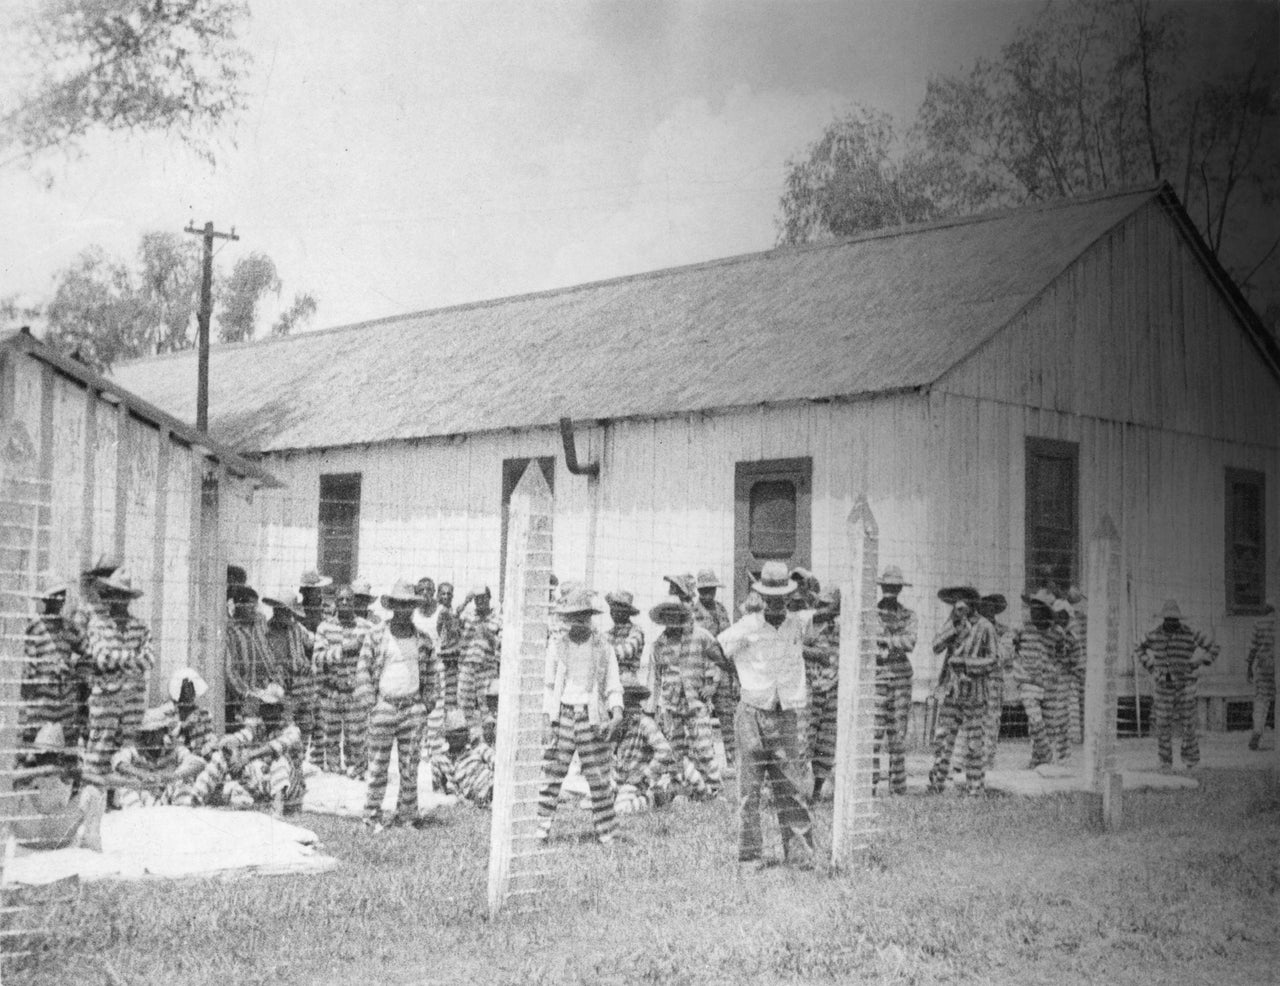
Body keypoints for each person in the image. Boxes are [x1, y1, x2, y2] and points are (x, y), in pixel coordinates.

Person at [718, 562, 817, 869]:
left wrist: (809, 584)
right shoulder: (747, 626)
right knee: (749, 790)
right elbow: (718, 647)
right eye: (769, 595)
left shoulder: (798, 624)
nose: (776, 601)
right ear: (760, 596)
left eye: (782, 595)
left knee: (792, 786)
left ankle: (800, 855)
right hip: (751, 714)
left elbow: (829, 610)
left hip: (785, 714)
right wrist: (741, 676)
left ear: (790, 595)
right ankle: (750, 855)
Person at [536, 587, 623, 845]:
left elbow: (613, 684)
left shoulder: (602, 647)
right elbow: (549, 685)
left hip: (591, 716)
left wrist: (616, 714)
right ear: (566, 619)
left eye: (583, 616)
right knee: (553, 773)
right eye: (573, 617)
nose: (579, 622)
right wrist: (547, 720)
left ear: (590, 617)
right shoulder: (557, 646)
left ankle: (607, 832)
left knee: (597, 776)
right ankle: (539, 829)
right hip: (563, 713)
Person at [356, 579, 439, 832]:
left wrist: (426, 704)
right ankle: (371, 817)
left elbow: (431, 675)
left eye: (408, 605)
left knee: (410, 766)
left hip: (412, 708)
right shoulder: (377, 635)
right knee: (378, 766)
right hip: (384, 706)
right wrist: (371, 703)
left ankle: (407, 817)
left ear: (413, 607)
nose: (403, 610)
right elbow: (363, 670)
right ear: (392, 606)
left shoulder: (423, 639)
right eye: (399, 605)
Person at [641, 599, 723, 799]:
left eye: (675, 616)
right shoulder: (659, 644)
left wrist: (712, 684)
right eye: (667, 618)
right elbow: (655, 678)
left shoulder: (701, 636)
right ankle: (681, 787)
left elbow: (718, 660)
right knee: (676, 749)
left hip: (696, 701)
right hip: (671, 704)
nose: (672, 621)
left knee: (703, 746)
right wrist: (651, 708)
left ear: (682, 616)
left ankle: (714, 787)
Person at [82, 568, 154, 783]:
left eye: (124, 595)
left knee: (128, 748)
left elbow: (149, 659)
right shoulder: (98, 624)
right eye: (115, 594)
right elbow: (101, 658)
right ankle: (94, 793)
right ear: (108, 596)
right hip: (106, 697)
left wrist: (119, 660)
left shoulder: (140, 627)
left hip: (133, 697)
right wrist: (133, 659)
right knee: (100, 748)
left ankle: (122, 794)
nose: (119, 600)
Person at [1134, 600, 1219, 772]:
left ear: (1179, 619)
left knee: (1189, 723)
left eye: (1175, 619)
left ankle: (1191, 761)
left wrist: (1199, 660)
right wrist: (1150, 664)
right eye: (1168, 619)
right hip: (1163, 686)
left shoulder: (1190, 633)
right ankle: (1165, 761)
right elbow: (1138, 648)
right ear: (1164, 619)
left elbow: (1213, 647)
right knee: (1163, 723)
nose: (1172, 622)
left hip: (1185, 684)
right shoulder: (1154, 634)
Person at [194, 684, 306, 814]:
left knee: (279, 761)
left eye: (271, 707)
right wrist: (235, 752)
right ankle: (195, 799)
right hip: (265, 783)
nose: (266, 711)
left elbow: (274, 747)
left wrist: (248, 756)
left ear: (279, 709)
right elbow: (232, 739)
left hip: (290, 790)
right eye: (264, 706)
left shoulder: (292, 731)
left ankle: (277, 811)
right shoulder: (258, 728)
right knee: (221, 756)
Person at [927, 586, 997, 795]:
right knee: (943, 739)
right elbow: (936, 646)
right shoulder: (953, 624)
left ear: (973, 603)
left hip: (975, 693)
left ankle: (975, 789)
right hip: (951, 691)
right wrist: (953, 627)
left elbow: (994, 660)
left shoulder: (985, 627)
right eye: (956, 602)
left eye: (964, 600)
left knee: (974, 743)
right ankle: (937, 783)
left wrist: (966, 664)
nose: (960, 605)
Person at [10, 722, 105, 852]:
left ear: (58, 755)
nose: (42, 756)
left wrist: (66, 772)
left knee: (92, 792)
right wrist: (40, 772)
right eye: (40, 753)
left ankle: (91, 843)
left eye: (47, 754)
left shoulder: (66, 772)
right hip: (29, 832)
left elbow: (100, 781)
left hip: (57, 833)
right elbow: (6, 780)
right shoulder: (29, 769)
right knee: (11, 793)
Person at [313, 585, 373, 777]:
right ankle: (333, 774)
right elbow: (318, 658)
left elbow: (374, 658)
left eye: (349, 600)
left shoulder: (365, 627)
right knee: (330, 737)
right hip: (332, 690)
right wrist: (345, 649)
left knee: (356, 738)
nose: (345, 603)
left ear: (355, 602)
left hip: (355, 691)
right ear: (336, 603)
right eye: (341, 600)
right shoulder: (325, 627)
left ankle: (356, 771)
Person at [19, 582, 81, 761]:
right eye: (54, 596)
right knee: (34, 753)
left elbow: (88, 653)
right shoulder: (35, 628)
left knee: (66, 754)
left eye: (62, 595)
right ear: (45, 599)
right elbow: (28, 669)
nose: (59, 601)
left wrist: (75, 671)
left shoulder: (69, 627)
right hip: (41, 703)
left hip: (66, 703)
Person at [873, 567, 917, 796]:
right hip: (877, 679)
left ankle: (898, 789)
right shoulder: (870, 613)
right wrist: (892, 641)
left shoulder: (909, 615)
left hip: (900, 680)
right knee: (873, 734)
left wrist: (885, 641)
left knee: (898, 736)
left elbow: (910, 642)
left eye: (894, 587)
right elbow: (865, 641)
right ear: (882, 587)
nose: (890, 591)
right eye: (887, 587)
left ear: (899, 589)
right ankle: (868, 787)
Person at [1011, 588, 1059, 769]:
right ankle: (1046, 754)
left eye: (1040, 608)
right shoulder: (1022, 629)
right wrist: (1014, 666)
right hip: (1027, 682)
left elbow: (1062, 653)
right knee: (1035, 718)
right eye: (1034, 607)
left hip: (1048, 684)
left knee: (1045, 724)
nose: (1035, 611)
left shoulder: (1055, 633)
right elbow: (1008, 645)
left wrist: (1055, 670)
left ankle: (1036, 760)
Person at [612, 682, 676, 814]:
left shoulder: (645, 723)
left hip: (640, 782)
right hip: (621, 780)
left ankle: (656, 798)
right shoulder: (620, 726)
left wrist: (644, 775)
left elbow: (665, 752)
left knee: (621, 810)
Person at [225, 583, 280, 731]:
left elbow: (270, 648)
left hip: (269, 687)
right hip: (248, 692)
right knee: (252, 730)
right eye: (250, 606)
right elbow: (229, 669)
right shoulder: (229, 630)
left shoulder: (260, 620)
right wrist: (245, 693)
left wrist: (277, 677)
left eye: (255, 606)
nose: (254, 610)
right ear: (238, 605)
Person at [803, 590, 840, 800]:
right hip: (811, 689)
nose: (825, 609)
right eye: (822, 605)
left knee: (826, 743)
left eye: (830, 606)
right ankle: (797, 792)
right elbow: (796, 647)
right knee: (805, 741)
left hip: (833, 689)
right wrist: (817, 655)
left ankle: (817, 791)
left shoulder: (840, 628)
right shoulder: (809, 625)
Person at [261, 594, 316, 737]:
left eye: (286, 611)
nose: (282, 613)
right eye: (279, 610)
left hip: (302, 683)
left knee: (306, 722)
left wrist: (309, 664)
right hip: (282, 683)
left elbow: (312, 643)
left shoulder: (297, 628)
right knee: (285, 724)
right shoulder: (266, 631)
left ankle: (302, 754)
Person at [296, 570, 332, 764]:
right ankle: (300, 757)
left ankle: (318, 758)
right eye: (313, 591)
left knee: (321, 717)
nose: (317, 595)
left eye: (318, 591)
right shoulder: (299, 615)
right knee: (304, 717)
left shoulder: (325, 613)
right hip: (305, 672)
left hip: (322, 671)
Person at [976, 593, 1013, 770]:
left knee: (991, 720)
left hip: (993, 681)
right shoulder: (974, 629)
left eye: (991, 607)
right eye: (984, 607)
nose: (987, 610)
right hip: (975, 680)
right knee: (974, 720)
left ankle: (987, 759)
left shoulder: (1004, 631)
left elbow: (1004, 657)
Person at [1048, 598, 1082, 762]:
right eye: (1057, 615)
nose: (1060, 619)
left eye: (1063, 616)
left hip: (1064, 680)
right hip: (1049, 679)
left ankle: (1063, 753)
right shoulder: (1050, 634)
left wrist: (1064, 662)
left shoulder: (1072, 638)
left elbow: (1076, 659)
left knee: (1062, 716)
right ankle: (1047, 754)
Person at [1246, 603, 1276, 751]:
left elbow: (1253, 648)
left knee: (1261, 701)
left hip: (1264, 666)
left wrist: (1249, 668)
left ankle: (1257, 730)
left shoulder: (1258, 624)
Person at [605, 590, 645, 682]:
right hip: (610, 680)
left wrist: (603, 653)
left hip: (628, 681)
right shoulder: (608, 634)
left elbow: (627, 651)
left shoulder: (636, 631)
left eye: (618, 609)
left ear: (627, 612)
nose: (613, 613)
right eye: (612, 609)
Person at [1066, 586, 1088, 743]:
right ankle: (1081, 733)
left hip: (1077, 663)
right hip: (1079, 663)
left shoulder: (1077, 620)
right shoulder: (1079, 619)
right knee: (1080, 701)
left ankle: (1079, 734)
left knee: (1075, 700)